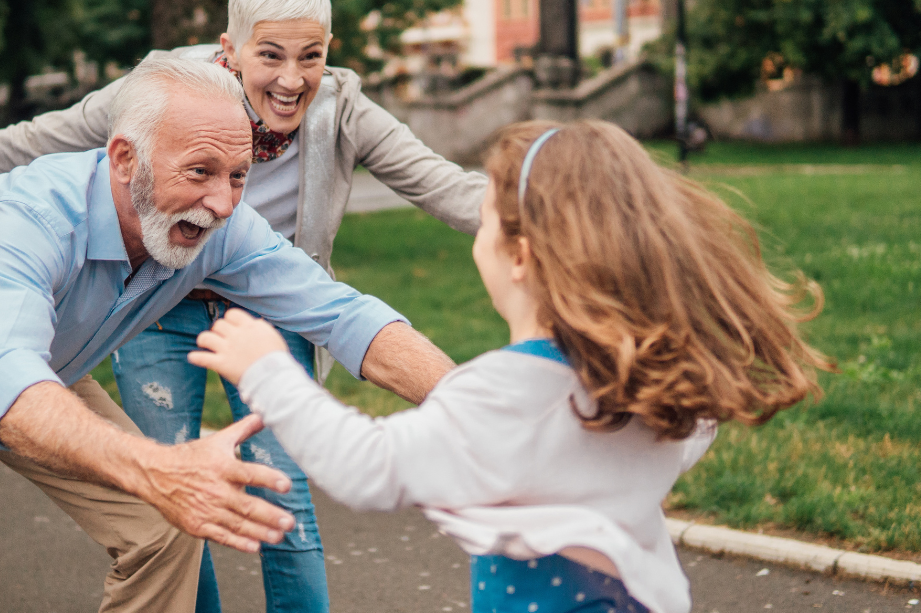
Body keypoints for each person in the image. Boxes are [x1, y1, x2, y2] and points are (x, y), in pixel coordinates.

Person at [0, 0, 485, 613]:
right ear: (125, 158)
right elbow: (0, 379)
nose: (221, 204)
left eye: (239, 176)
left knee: (169, 526)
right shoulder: (35, 215)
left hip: (42, 369)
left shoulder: (226, 223)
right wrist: (158, 467)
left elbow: (345, 315)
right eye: (199, 173)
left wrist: (480, 410)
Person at [186, 120, 833, 613]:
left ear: (519, 254)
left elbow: (367, 467)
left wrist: (269, 369)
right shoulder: (650, 382)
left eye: (485, 218)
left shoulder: (506, 394)